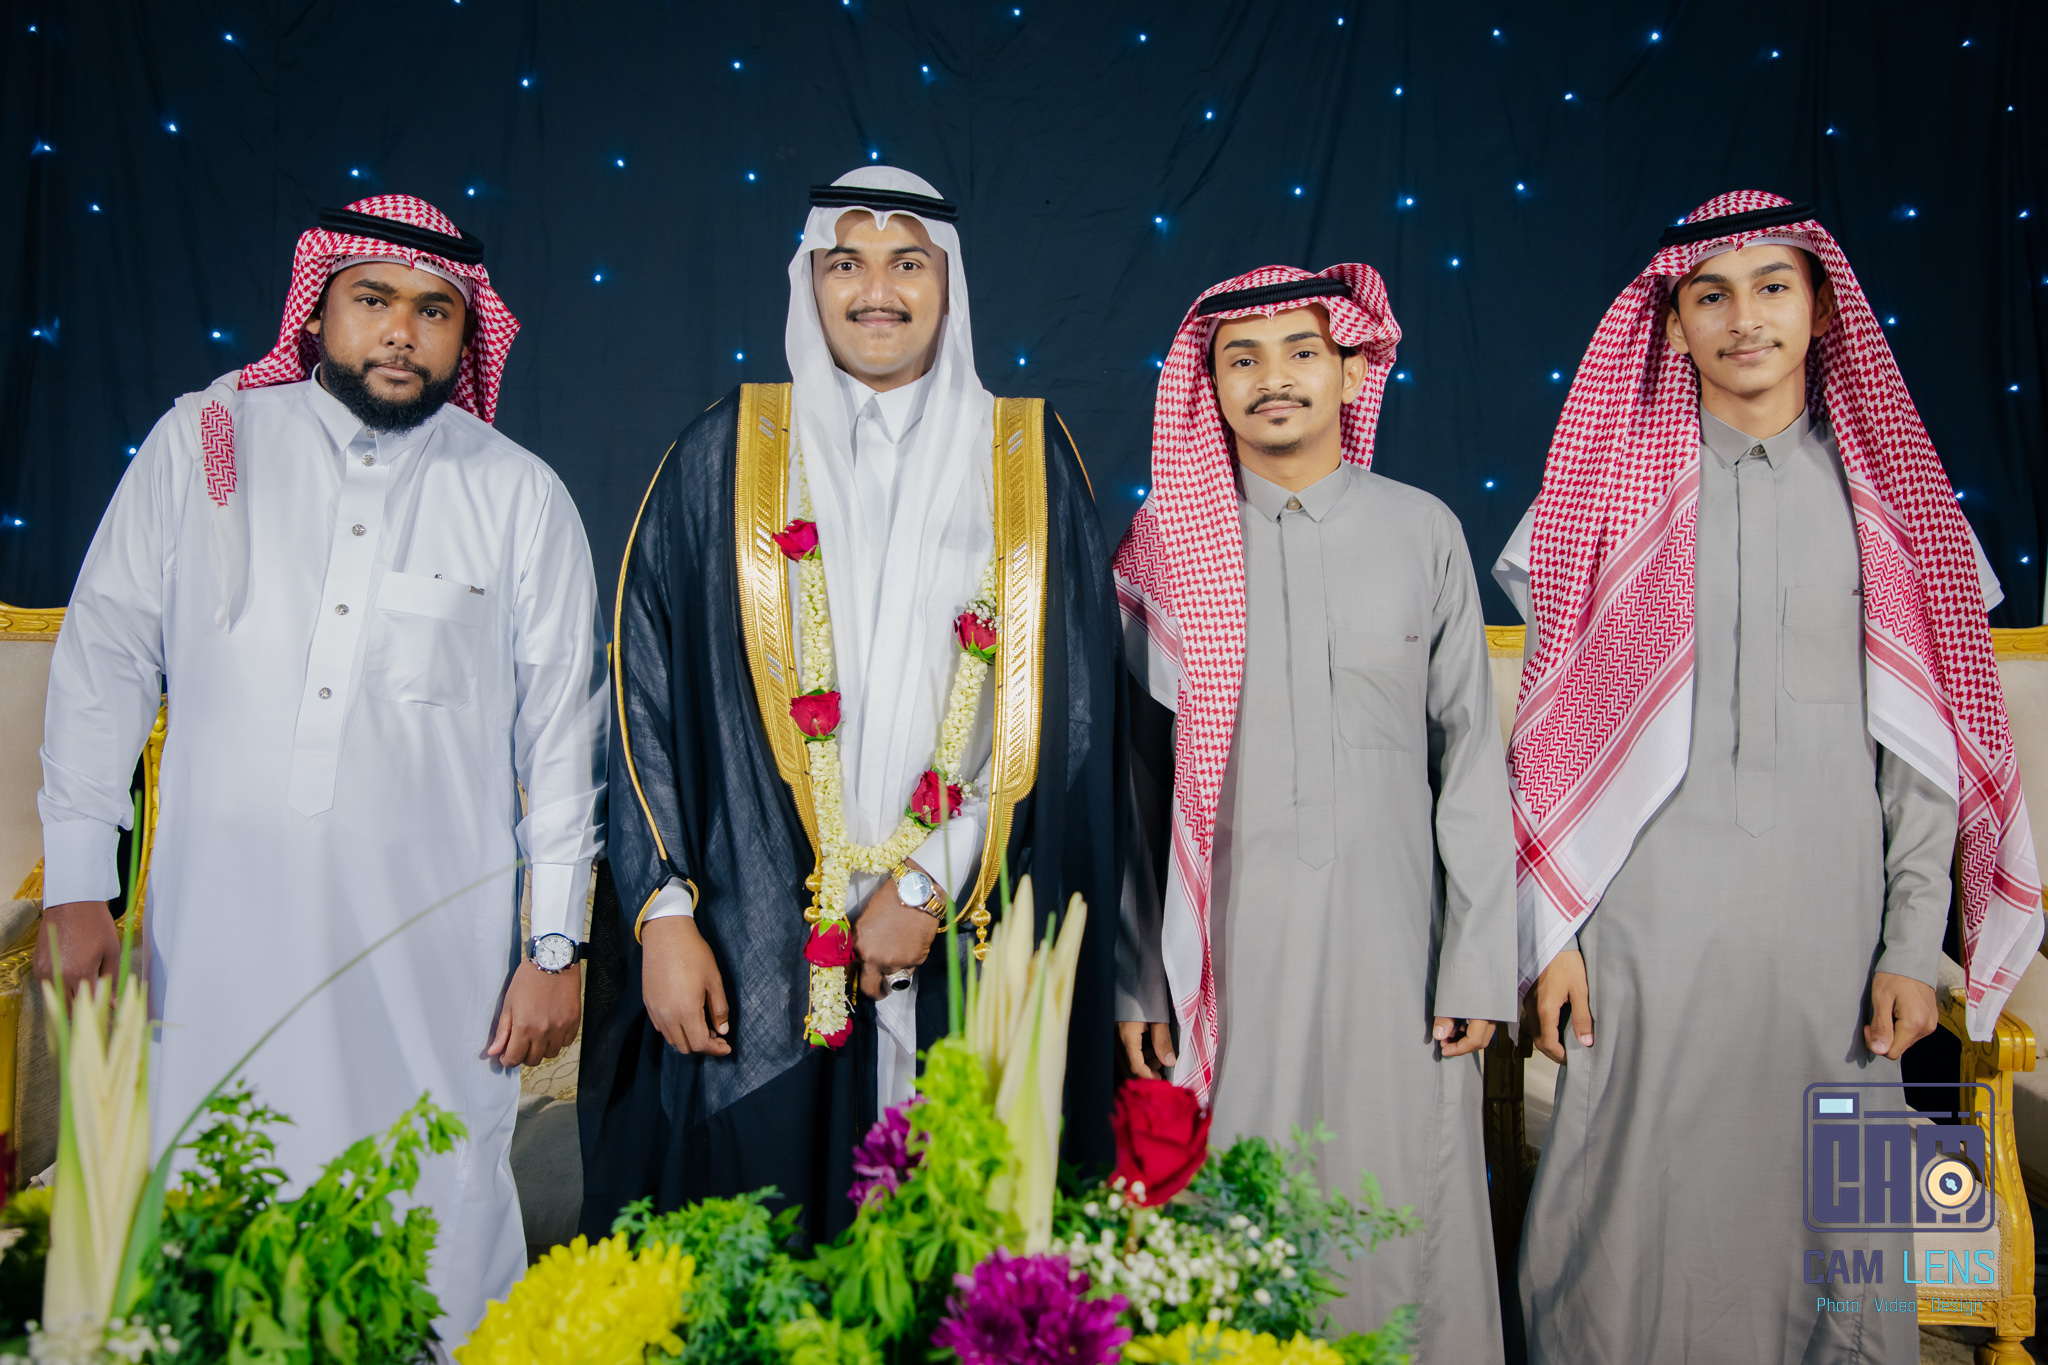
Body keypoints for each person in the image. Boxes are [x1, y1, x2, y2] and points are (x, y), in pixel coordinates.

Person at [35, 194, 607, 1337]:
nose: (401, 331)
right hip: (217, 938)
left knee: (435, 1194)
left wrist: (555, 948)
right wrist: (75, 881)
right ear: (317, 310)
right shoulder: (206, 446)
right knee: (213, 1177)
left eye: (434, 311)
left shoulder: (518, 495)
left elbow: (562, 741)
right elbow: (104, 662)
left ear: (466, 334)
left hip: (432, 954)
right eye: (373, 300)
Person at [1494, 191, 2041, 1364]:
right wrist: (1552, 936)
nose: (1743, 317)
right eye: (1711, 294)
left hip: (1832, 930)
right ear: (1672, 323)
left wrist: (1910, 944)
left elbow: (1923, 761)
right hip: (1640, 924)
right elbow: (1547, 742)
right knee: (1617, 1192)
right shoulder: (1595, 499)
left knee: (1846, 1198)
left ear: (1822, 309)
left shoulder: (1894, 506)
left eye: (1771, 287)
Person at [578, 166, 1124, 1242]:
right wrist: (663, 915)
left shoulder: (1022, 457)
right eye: (847, 263)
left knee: (949, 1248)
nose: (876, 291)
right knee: (761, 1249)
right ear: (811, 282)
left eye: (906, 263)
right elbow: (642, 695)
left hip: (961, 926)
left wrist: (925, 882)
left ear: (947, 282)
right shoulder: (723, 452)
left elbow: (1069, 714)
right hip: (753, 938)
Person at [1114, 265, 1516, 1358]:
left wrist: (1478, 960)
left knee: (1402, 1201)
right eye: (1240, 359)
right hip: (1226, 951)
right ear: (1208, 387)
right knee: (1239, 1200)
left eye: (1301, 352)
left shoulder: (1422, 530)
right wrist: (1138, 975)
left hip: (1399, 950)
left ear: (1350, 369)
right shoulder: (1163, 550)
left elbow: (1469, 760)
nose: (1273, 378)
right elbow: (1136, 786)